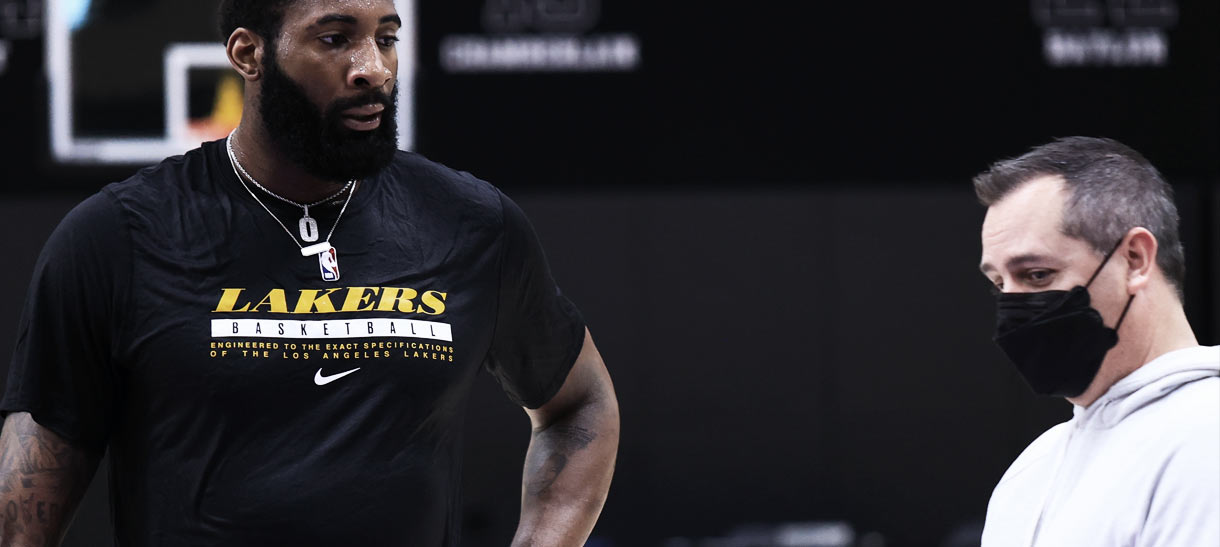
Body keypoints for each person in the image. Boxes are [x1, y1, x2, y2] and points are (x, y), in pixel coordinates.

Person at [0, 0, 619, 545]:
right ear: (249, 54)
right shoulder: (118, 236)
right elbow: (30, 491)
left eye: (386, 38)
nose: (373, 68)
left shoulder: (470, 224)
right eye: (335, 38)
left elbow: (580, 404)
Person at [973, 137, 1219, 546]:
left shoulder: (1205, 440)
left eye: (1037, 275)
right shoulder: (1031, 470)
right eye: (999, 284)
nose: (1011, 306)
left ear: (1135, 259)